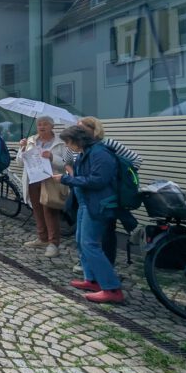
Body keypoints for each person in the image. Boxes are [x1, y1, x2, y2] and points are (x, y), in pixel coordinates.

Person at [58, 125, 123, 304]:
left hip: (98, 204)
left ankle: (112, 288)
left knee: (90, 244)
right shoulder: (87, 152)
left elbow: (98, 180)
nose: (68, 146)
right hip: (86, 203)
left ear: (78, 140)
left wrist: (66, 179)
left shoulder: (100, 153)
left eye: (68, 142)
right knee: (81, 241)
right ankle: (92, 279)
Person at [77, 116, 141, 264]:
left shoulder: (108, 144)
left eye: (82, 129)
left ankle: (107, 263)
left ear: (94, 130)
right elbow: (69, 162)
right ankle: (87, 261)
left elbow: (136, 160)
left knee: (107, 229)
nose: (78, 132)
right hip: (85, 193)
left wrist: (116, 176)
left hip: (106, 194)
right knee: (85, 230)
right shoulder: (80, 146)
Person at [19, 116, 72, 258]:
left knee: (50, 211)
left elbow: (66, 163)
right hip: (33, 179)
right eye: (39, 124)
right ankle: (42, 238)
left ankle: (53, 243)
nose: (42, 127)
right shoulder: (31, 140)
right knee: (36, 209)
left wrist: (52, 157)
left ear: (52, 126)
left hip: (50, 180)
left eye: (45, 124)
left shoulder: (60, 143)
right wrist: (22, 148)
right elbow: (20, 162)